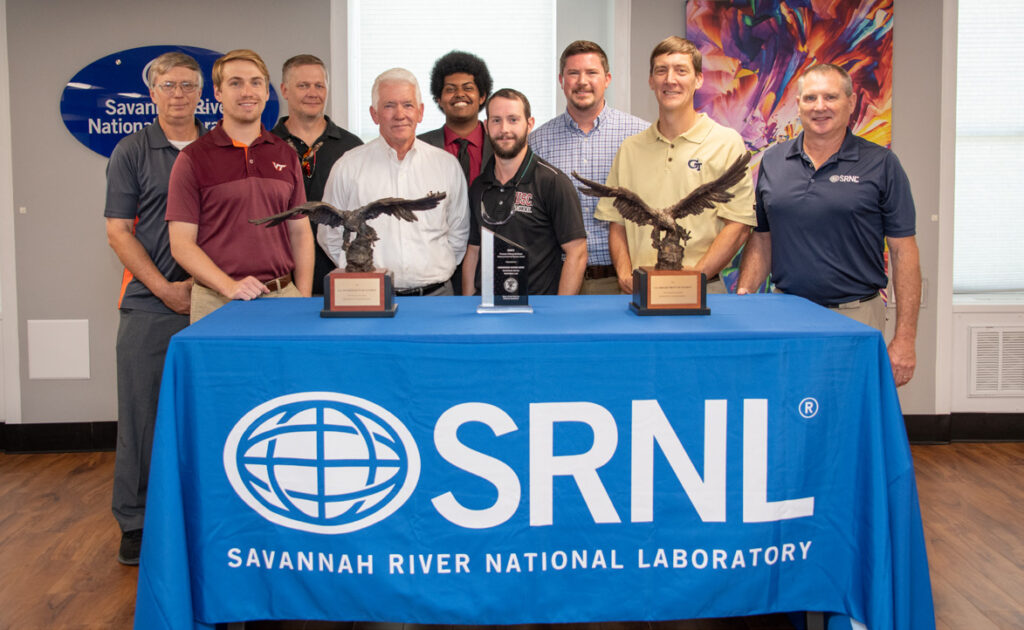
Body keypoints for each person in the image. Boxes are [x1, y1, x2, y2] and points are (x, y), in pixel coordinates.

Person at [736, 63, 921, 387]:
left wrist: (904, 338)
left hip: (856, 317)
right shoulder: (773, 160)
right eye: (810, 98)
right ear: (799, 105)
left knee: (851, 421)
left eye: (830, 97)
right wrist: (746, 293)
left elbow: (904, 252)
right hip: (786, 314)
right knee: (787, 414)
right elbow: (763, 238)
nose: (819, 107)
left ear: (850, 103)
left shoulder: (881, 164)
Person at [103, 51, 205, 565]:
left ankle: (202, 516)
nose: (180, 94)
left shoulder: (217, 146)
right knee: (142, 418)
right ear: (153, 92)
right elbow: (118, 230)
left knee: (208, 415)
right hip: (151, 303)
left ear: (201, 92)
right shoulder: (132, 150)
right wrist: (166, 288)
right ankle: (136, 523)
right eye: (169, 86)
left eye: (189, 86)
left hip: (214, 302)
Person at [594, 36, 755, 294]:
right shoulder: (630, 149)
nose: (670, 79)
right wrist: (624, 275)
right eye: (661, 71)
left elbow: (737, 226)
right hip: (639, 292)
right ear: (651, 81)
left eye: (681, 70)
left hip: (703, 290)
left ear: (698, 79)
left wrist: (686, 284)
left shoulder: (726, 143)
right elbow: (617, 223)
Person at [167, 49, 314, 322]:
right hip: (216, 301)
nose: (247, 91)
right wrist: (229, 286)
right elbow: (181, 244)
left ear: (267, 93)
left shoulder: (285, 154)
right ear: (218, 93)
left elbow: (301, 234)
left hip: (282, 298)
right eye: (235, 83)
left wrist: (302, 298)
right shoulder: (192, 159)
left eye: (256, 82)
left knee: (286, 368)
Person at [319, 68, 469, 296]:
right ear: (374, 114)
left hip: (436, 299)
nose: (400, 114)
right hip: (369, 297)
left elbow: (459, 232)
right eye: (389, 105)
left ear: (420, 112)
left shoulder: (446, 165)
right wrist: (357, 272)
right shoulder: (348, 166)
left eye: (408, 105)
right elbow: (329, 234)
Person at [529, 40, 648, 294]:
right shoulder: (537, 141)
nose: (582, 81)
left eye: (591, 72)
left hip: (621, 281)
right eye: (573, 73)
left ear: (607, 79)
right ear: (561, 80)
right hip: (558, 279)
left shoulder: (639, 135)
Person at [462, 89, 587, 296]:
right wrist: (467, 309)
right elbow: (474, 251)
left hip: (537, 314)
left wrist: (559, 313)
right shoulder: (479, 186)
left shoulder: (553, 182)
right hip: (488, 310)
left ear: (529, 124)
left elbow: (577, 253)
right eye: (496, 120)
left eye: (513, 120)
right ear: (486, 126)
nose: (504, 129)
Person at [271, 54, 362, 296]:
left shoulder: (352, 148)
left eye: (319, 85)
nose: (313, 93)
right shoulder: (266, 146)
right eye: (303, 85)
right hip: (279, 280)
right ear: (284, 90)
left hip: (339, 274)